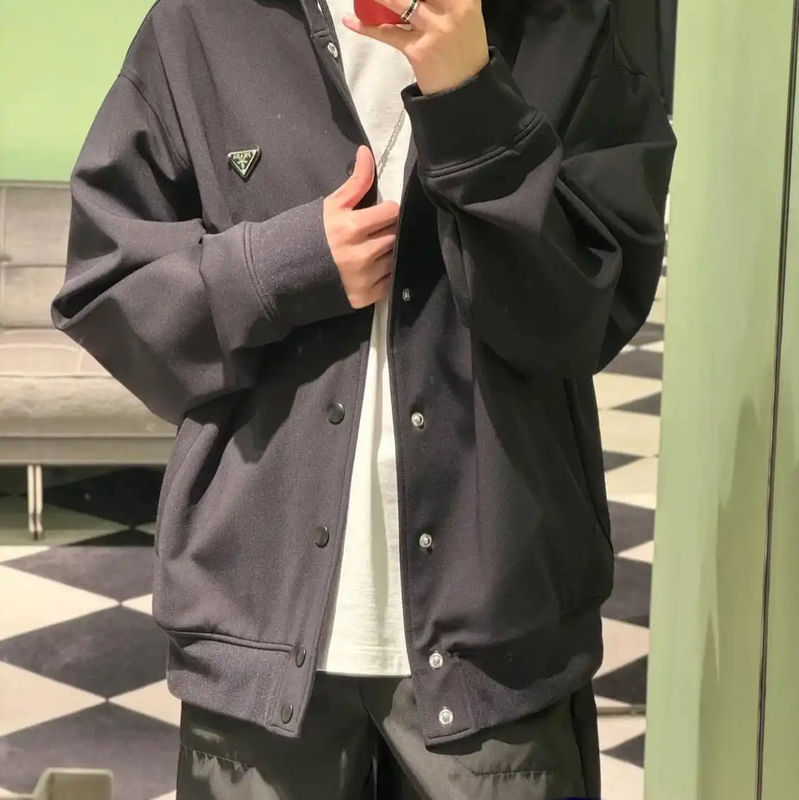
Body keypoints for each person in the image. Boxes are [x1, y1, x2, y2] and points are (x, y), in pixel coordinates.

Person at [52, 0, 675, 795]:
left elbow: (582, 317)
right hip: (255, 622)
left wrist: (471, 100)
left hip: (498, 636)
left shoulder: (567, 27)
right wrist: (285, 268)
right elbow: (106, 288)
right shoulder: (204, 22)